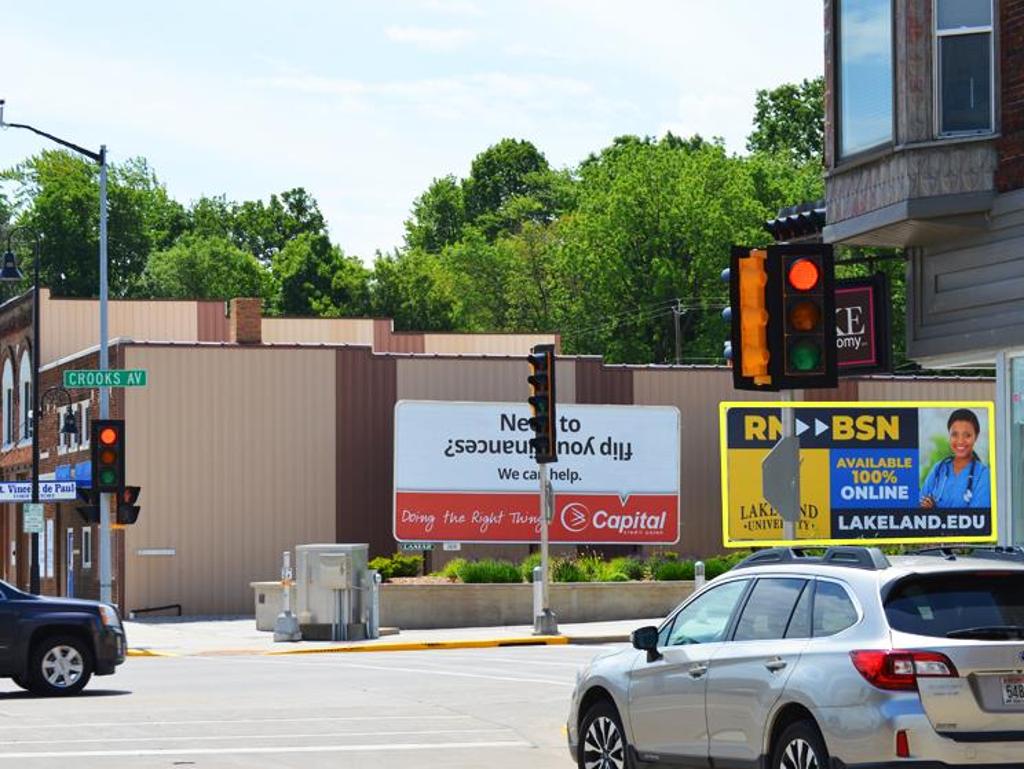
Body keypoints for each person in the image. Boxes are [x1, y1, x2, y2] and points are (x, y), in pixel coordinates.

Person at [920, 409, 990, 509]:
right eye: (954, 435)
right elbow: (920, 504)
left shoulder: (983, 475)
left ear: (976, 437)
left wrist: (934, 510)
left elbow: (978, 516)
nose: (960, 441)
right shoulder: (939, 469)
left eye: (967, 435)